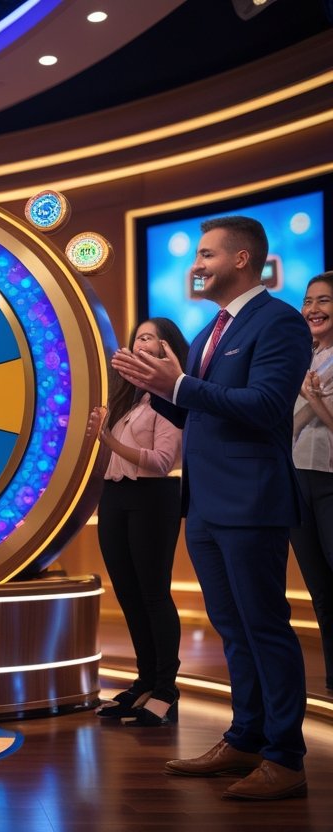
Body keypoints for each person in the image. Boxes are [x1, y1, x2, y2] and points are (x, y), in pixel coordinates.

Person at [111, 216, 310, 801]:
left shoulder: (280, 323)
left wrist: (178, 388)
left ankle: (285, 756)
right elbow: (194, 412)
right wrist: (153, 387)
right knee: (232, 629)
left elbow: (267, 405)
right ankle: (245, 736)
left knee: (265, 628)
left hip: (250, 502)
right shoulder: (207, 333)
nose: (195, 264)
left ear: (242, 259)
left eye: (205, 254)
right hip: (204, 508)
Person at [88, 319, 186, 726]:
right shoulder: (126, 397)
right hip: (116, 496)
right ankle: (144, 681)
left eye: (149, 338)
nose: (140, 344)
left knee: (153, 594)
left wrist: (106, 439)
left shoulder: (171, 398)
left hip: (153, 498)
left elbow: (161, 463)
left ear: (167, 349)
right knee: (127, 593)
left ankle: (166, 688)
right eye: (137, 338)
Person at [291, 272, 333, 692]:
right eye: (309, 302)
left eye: (324, 301)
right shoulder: (301, 357)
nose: (314, 310)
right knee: (319, 588)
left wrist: (314, 399)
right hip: (297, 478)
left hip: (330, 480)